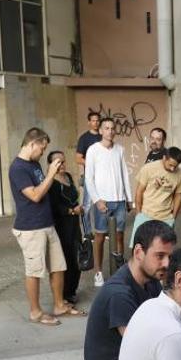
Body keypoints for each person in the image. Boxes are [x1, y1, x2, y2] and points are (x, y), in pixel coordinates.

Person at [83, 221, 176, 360]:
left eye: (170, 257)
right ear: (139, 252)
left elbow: (171, 321)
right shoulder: (119, 293)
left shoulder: (152, 280)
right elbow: (141, 348)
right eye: (160, 256)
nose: (167, 263)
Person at [8, 128, 78, 326]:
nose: (42, 152)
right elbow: (35, 195)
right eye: (42, 148)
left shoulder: (34, 163)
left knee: (58, 267)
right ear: (32, 144)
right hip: (30, 228)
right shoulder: (18, 168)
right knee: (34, 271)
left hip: (47, 224)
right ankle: (35, 312)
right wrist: (51, 174)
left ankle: (59, 305)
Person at [84, 117, 134, 287]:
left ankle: (119, 271)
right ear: (101, 131)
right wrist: (97, 200)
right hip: (102, 201)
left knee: (119, 235)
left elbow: (125, 174)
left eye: (112, 128)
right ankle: (98, 272)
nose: (110, 131)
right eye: (106, 128)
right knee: (99, 236)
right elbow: (89, 179)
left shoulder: (120, 149)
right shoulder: (93, 150)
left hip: (119, 200)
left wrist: (129, 198)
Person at [46, 151, 84, 305]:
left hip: (74, 223)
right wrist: (70, 211)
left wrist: (78, 207)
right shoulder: (50, 182)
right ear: (50, 164)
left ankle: (72, 291)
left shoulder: (68, 176)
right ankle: (63, 294)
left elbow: (74, 195)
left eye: (63, 161)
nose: (62, 165)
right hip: (61, 224)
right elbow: (53, 206)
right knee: (65, 259)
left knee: (77, 257)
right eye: (58, 162)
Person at [132, 146, 181, 242]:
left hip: (166, 218)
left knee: (162, 251)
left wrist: (173, 217)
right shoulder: (148, 168)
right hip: (145, 215)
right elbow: (139, 191)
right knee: (140, 248)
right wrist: (138, 214)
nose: (173, 169)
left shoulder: (180, 173)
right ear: (164, 158)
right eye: (170, 165)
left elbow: (178, 195)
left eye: (176, 166)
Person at [75, 112, 101, 232]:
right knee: (87, 205)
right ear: (89, 122)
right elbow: (78, 158)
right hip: (90, 176)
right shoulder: (84, 138)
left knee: (101, 204)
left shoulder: (103, 137)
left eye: (97, 120)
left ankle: (102, 229)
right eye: (93, 120)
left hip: (103, 177)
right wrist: (92, 164)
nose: (96, 123)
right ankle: (87, 232)